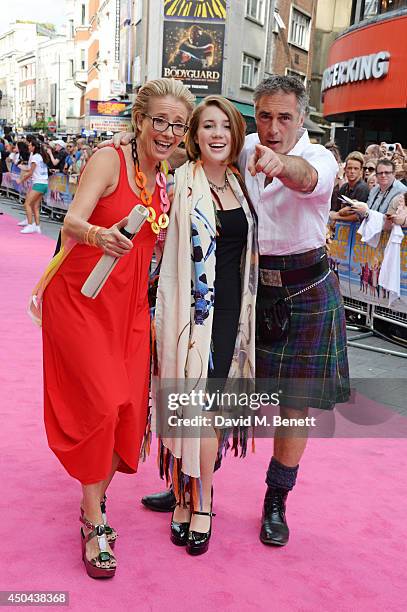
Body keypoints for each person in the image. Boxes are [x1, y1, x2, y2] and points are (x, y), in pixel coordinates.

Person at [143, 75, 350, 548]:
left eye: (284, 117)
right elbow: (190, 156)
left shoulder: (318, 157)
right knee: (214, 388)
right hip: (248, 287)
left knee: (294, 406)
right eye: (264, 116)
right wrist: (137, 143)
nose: (272, 127)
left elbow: (304, 176)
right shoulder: (240, 142)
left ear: (303, 117)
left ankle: (276, 500)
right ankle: (191, 485)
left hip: (305, 288)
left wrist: (280, 163)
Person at [33, 78, 194, 578]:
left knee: (126, 409)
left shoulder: (164, 177)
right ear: (141, 120)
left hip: (128, 309)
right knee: (101, 404)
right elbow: (71, 222)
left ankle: (93, 503)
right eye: (160, 120)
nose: (168, 132)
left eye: (178, 125)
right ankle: (95, 519)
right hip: (82, 299)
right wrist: (100, 234)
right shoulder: (110, 159)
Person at [155, 96, 257, 556]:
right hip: (191, 315)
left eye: (225, 127)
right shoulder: (180, 182)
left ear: (236, 135)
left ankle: (202, 498)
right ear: (194, 136)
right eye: (208, 126)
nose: (217, 134)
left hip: (234, 316)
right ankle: (186, 495)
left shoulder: (243, 182)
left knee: (210, 412)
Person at [19, 139, 49, 234]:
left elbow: (30, 172)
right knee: (35, 206)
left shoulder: (35, 157)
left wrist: (21, 180)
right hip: (44, 183)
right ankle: (37, 225)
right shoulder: (41, 156)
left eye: (30, 145)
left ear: (34, 147)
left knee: (27, 204)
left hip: (39, 183)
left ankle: (30, 224)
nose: (28, 147)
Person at [330, 151, 369, 222]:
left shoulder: (363, 188)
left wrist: (336, 217)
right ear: (345, 169)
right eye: (349, 168)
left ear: (361, 171)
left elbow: (358, 216)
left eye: (356, 168)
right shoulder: (344, 187)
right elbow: (336, 209)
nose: (352, 171)